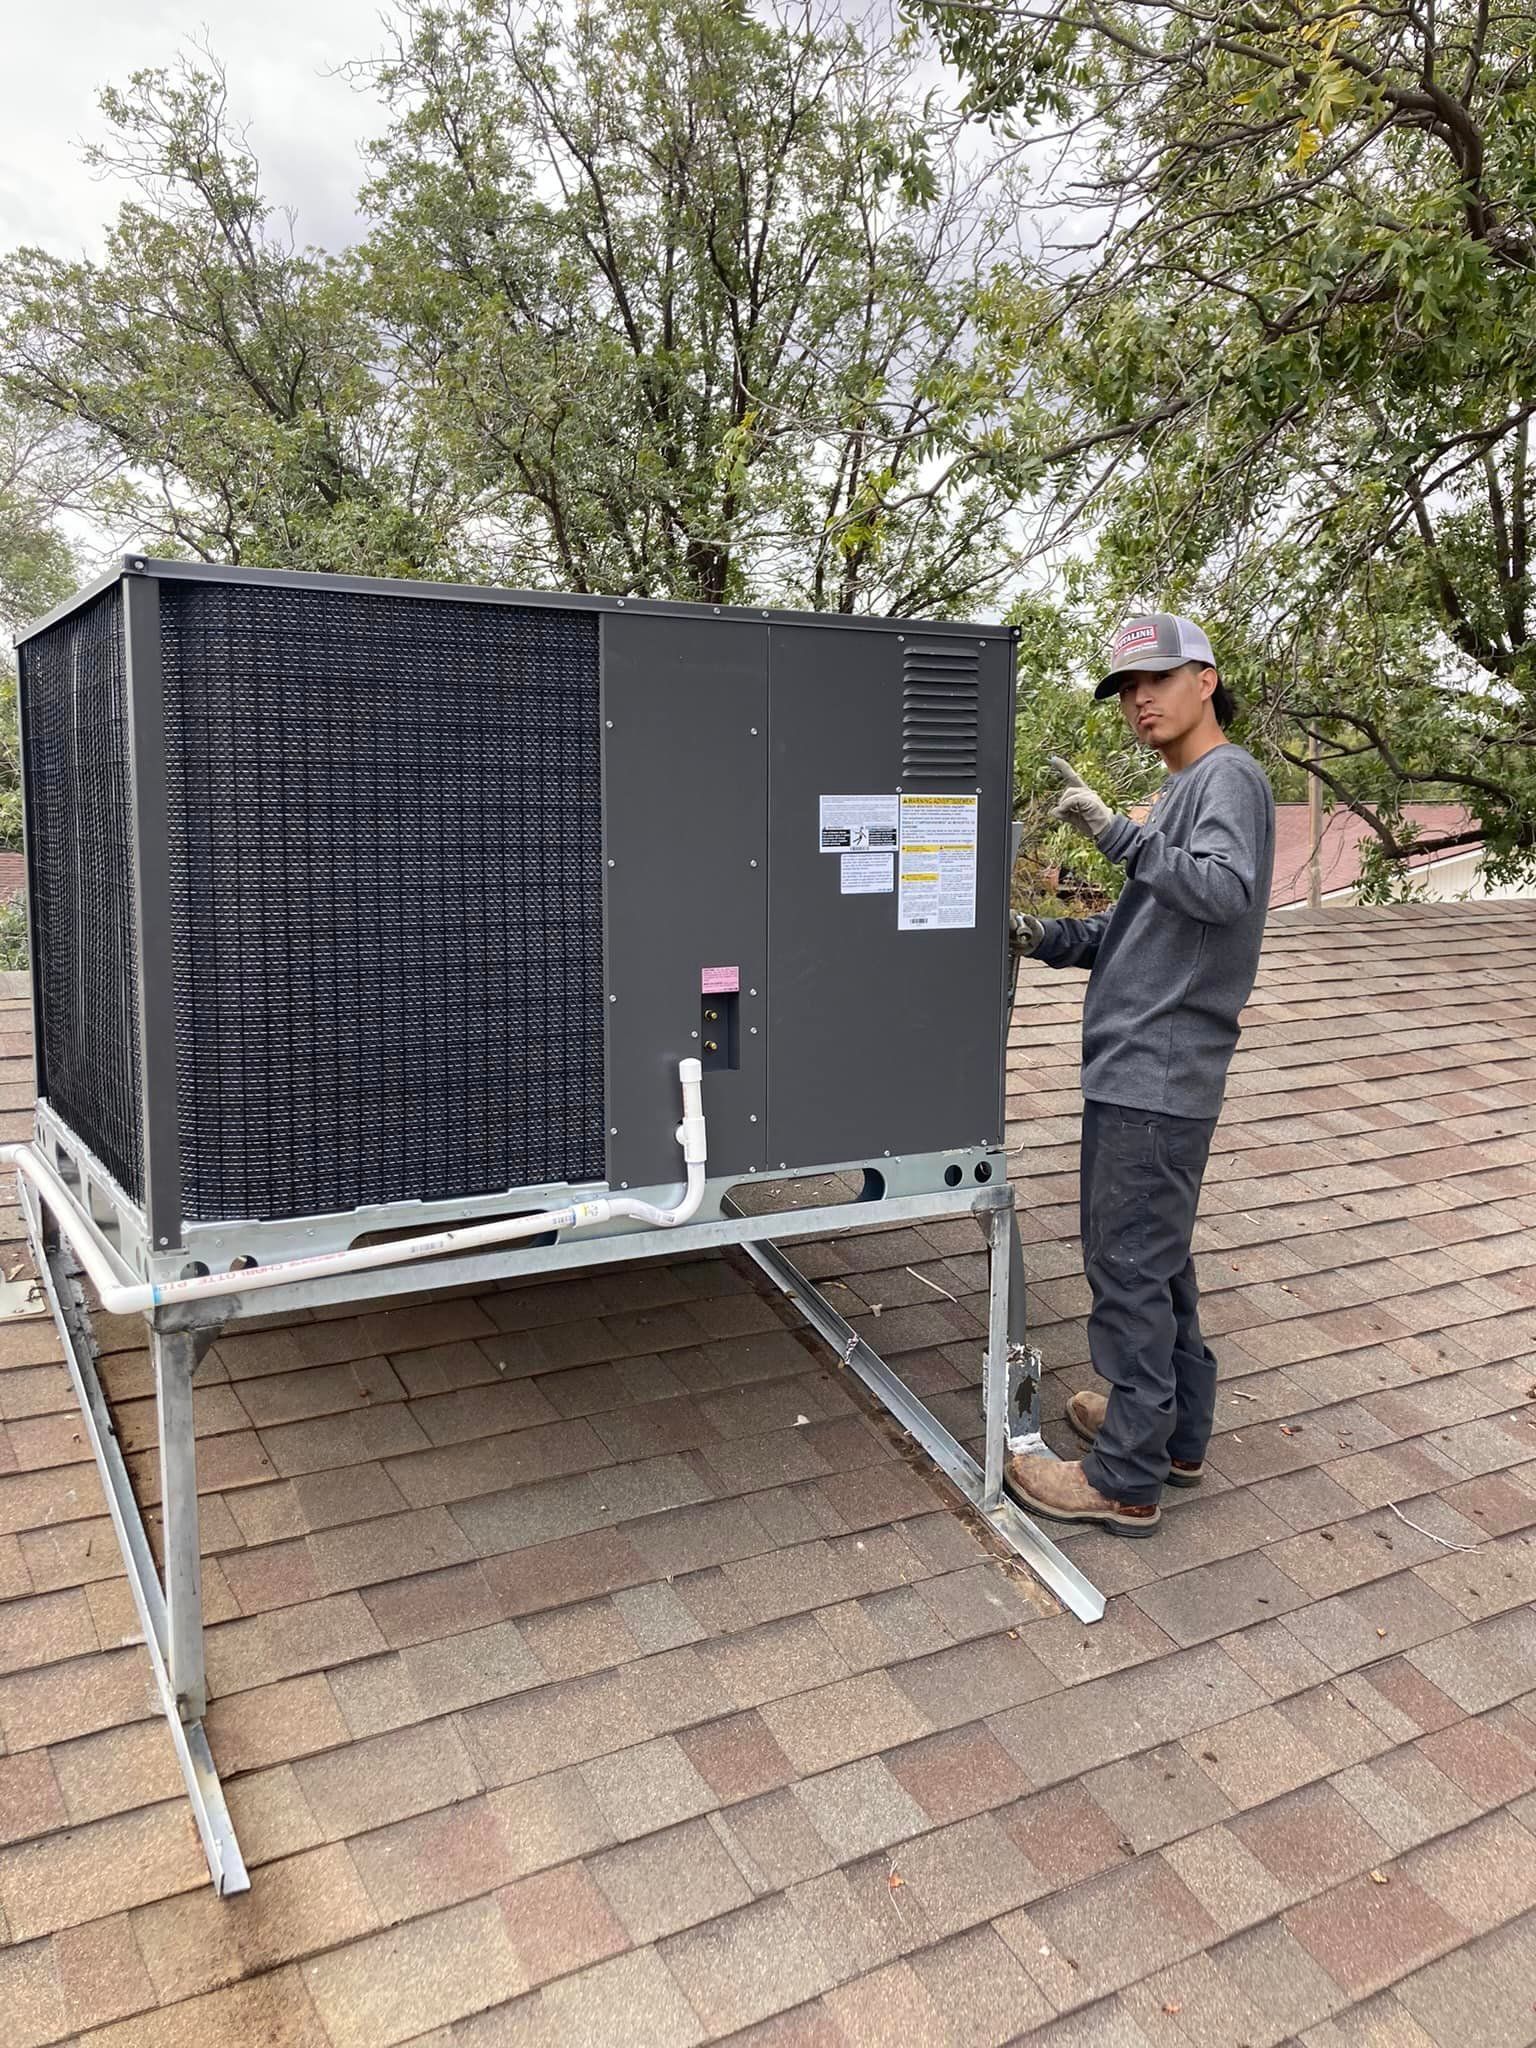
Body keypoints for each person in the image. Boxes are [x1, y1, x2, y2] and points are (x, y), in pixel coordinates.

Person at [1008, 614, 1275, 1536]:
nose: (1139, 701)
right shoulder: (1184, 794)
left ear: (1207, 678)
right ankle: (1172, 1432)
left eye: (1156, 678)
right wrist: (1045, 938)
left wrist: (1119, 837)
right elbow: (1145, 932)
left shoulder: (1227, 778)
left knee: (1126, 1265)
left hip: (1155, 1075)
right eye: (1126, 688)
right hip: (1145, 1070)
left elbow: (1223, 892)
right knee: (1154, 1262)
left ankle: (1124, 1476)